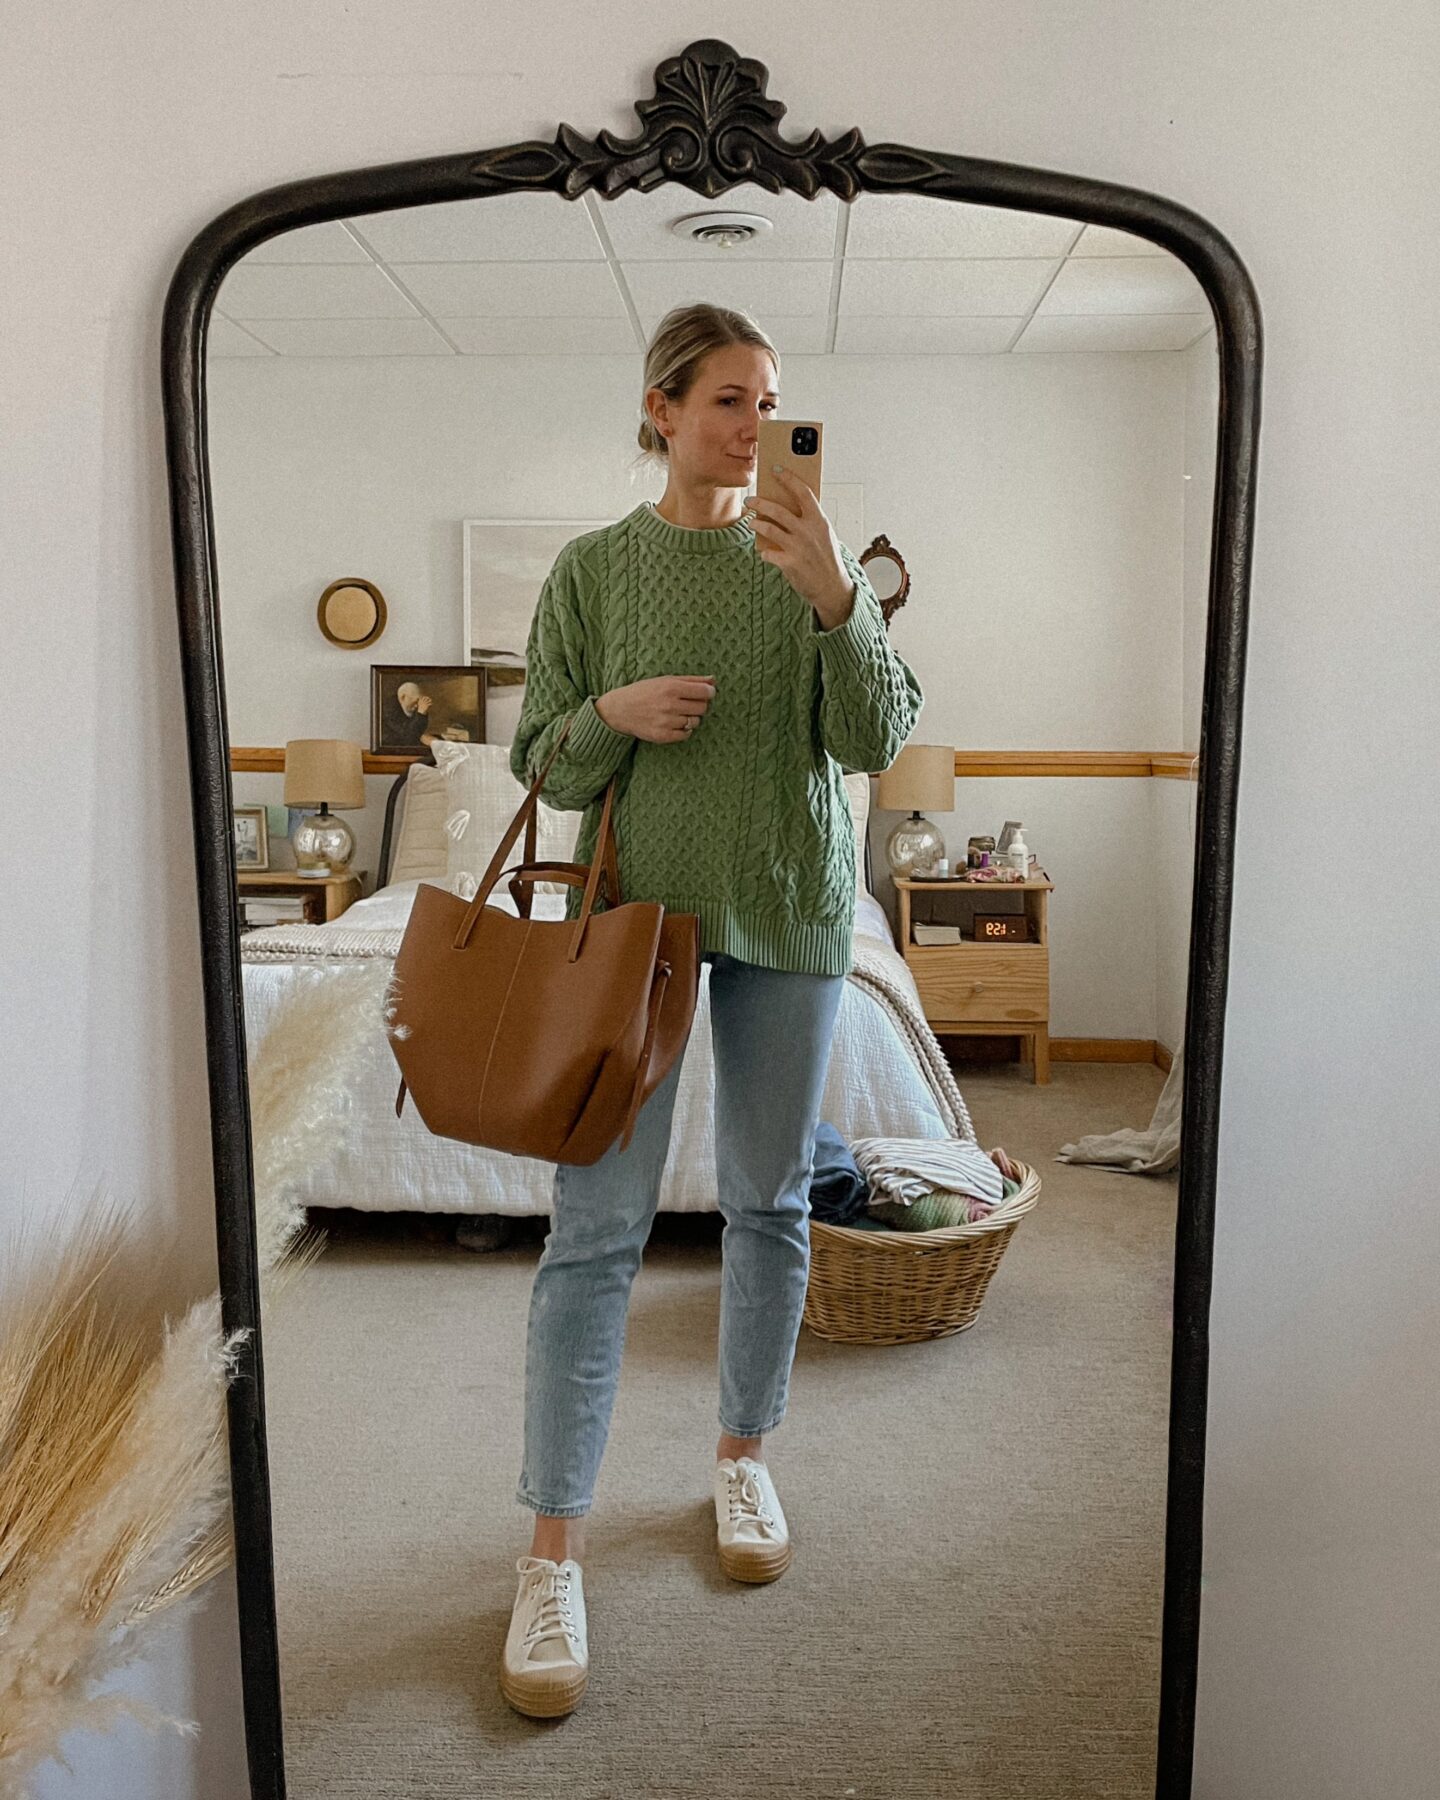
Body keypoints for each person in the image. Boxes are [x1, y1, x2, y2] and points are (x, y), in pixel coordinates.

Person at [497, 301, 1013, 1721]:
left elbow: (876, 738)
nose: (752, 424)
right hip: (631, 933)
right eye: (727, 398)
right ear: (660, 409)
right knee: (590, 1235)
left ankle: (744, 1457)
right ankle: (551, 1548)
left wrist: (842, 600)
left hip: (788, 911)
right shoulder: (594, 568)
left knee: (772, 1204)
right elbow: (542, 763)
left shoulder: (814, 559)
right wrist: (613, 713)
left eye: (772, 399)